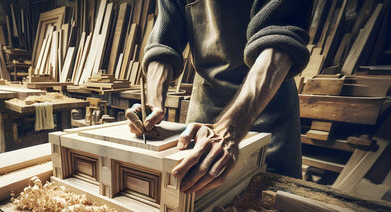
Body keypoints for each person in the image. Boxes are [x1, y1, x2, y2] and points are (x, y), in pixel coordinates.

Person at [126, 0, 312, 193]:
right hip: (206, 101)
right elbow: (164, 43)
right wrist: (153, 105)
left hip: (266, 102)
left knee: (268, 196)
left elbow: (280, 36)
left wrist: (231, 127)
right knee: (192, 191)